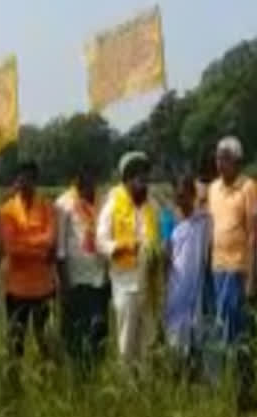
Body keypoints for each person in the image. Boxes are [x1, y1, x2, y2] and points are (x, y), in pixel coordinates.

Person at [207, 136, 257, 410]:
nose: (220, 162)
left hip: (238, 269)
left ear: (237, 161)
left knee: (239, 333)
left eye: (225, 157)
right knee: (221, 329)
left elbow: (252, 234)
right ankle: (227, 391)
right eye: (218, 157)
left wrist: (251, 275)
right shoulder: (214, 189)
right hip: (217, 268)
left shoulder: (248, 187)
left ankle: (245, 394)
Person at [97, 151, 160, 363]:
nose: (141, 179)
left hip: (149, 283)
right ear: (126, 179)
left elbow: (163, 234)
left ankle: (146, 383)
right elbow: (101, 240)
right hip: (125, 282)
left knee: (148, 339)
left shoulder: (152, 204)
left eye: (144, 174)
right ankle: (127, 387)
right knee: (126, 341)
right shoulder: (113, 204)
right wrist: (122, 247)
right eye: (136, 175)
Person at [0, 161, 57, 362]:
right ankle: (14, 387)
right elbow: (11, 248)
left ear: (36, 181)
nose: (25, 183)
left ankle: (48, 382)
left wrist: (26, 243)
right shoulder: (7, 211)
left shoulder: (47, 207)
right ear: (16, 180)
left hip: (44, 288)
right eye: (22, 178)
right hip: (16, 290)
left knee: (46, 342)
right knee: (16, 343)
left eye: (30, 179)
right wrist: (39, 248)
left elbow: (50, 239)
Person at [55, 163, 109, 374]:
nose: (92, 186)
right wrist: (64, 284)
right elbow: (60, 249)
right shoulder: (63, 204)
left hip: (99, 281)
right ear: (78, 180)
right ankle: (75, 378)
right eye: (88, 181)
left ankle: (95, 375)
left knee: (98, 334)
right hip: (75, 282)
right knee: (75, 337)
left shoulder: (102, 201)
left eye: (95, 180)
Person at [164, 174, 212, 376]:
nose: (181, 200)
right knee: (175, 332)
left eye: (185, 195)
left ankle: (197, 375)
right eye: (178, 196)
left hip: (198, 283)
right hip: (176, 286)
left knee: (198, 330)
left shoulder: (203, 221)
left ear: (192, 195)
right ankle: (177, 374)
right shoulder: (169, 222)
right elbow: (166, 254)